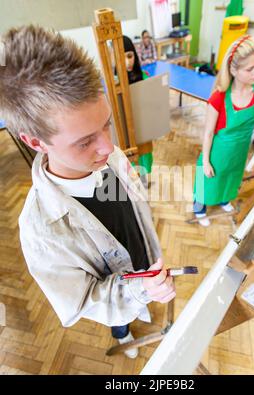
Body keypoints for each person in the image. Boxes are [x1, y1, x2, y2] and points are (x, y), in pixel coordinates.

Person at [0, 25, 175, 359]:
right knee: (121, 318)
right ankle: (123, 333)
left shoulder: (106, 155)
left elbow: (129, 208)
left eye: (106, 124)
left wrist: (146, 273)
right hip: (123, 291)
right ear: (35, 142)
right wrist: (137, 290)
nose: (108, 146)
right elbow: (83, 300)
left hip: (141, 257)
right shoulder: (41, 232)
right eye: (84, 141)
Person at [193, 35, 254, 227]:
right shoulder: (219, 97)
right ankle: (199, 207)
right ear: (233, 69)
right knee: (209, 181)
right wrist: (206, 161)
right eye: (250, 68)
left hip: (240, 150)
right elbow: (208, 133)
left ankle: (224, 199)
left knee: (231, 177)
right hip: (218, 151)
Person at [123, 35, 154, 188]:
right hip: (127, 128)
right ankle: (135, 181)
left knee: (145, 154)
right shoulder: (116, 82)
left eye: (130, 56)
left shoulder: (143, 76)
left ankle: (144, 179)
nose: (128, 62)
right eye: (122, 58)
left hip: (143, 125)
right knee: (131, 157)